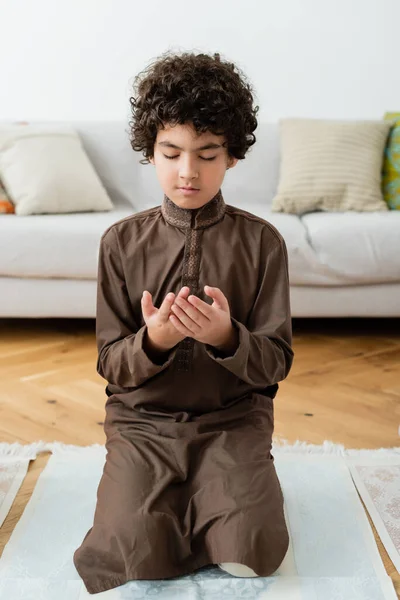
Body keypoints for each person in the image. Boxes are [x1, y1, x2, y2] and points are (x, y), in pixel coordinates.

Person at [73, 50, 294, 595]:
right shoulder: (120, 244)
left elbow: (276, 362)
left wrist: (225, 337)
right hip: (144, 425)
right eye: (171, 153)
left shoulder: (263, 244)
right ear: (150, 152)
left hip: (231, 422)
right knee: (132, 553)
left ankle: (231, 491)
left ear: (233, 157)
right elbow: (111, 365)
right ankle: (174, 500)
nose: (188, 171)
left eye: (207, 154)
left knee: (252, 555)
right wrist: (154, 340)